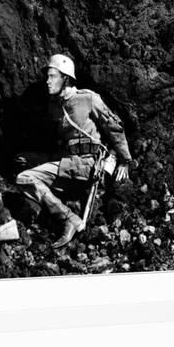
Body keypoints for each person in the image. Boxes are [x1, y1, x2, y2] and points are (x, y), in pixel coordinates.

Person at [16, 54, 132, 248]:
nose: (47, 81)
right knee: (21, 159)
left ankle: (68, 218)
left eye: (52, 76)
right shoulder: (55, 106)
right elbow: (62, 146)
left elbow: (114, 126)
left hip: (86, 165)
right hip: (68, 161)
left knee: (25, 179)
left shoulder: (88, 99)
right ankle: (56, 202)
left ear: (66, 79)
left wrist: (125, 159)